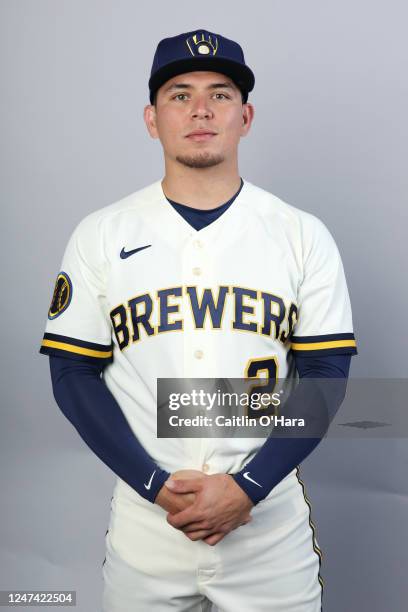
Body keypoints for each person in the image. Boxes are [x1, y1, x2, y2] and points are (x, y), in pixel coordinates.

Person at [39, 29, 357, 611]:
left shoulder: (301, 234)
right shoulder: (103, 234)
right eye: (179, 95)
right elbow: (72, 377)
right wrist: (155, 486)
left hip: (269, 526)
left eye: (221, 93)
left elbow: (326, 372)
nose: (202, 109)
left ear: (246, 115)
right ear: (151, 118)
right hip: (147, 524)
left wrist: (249, 488)